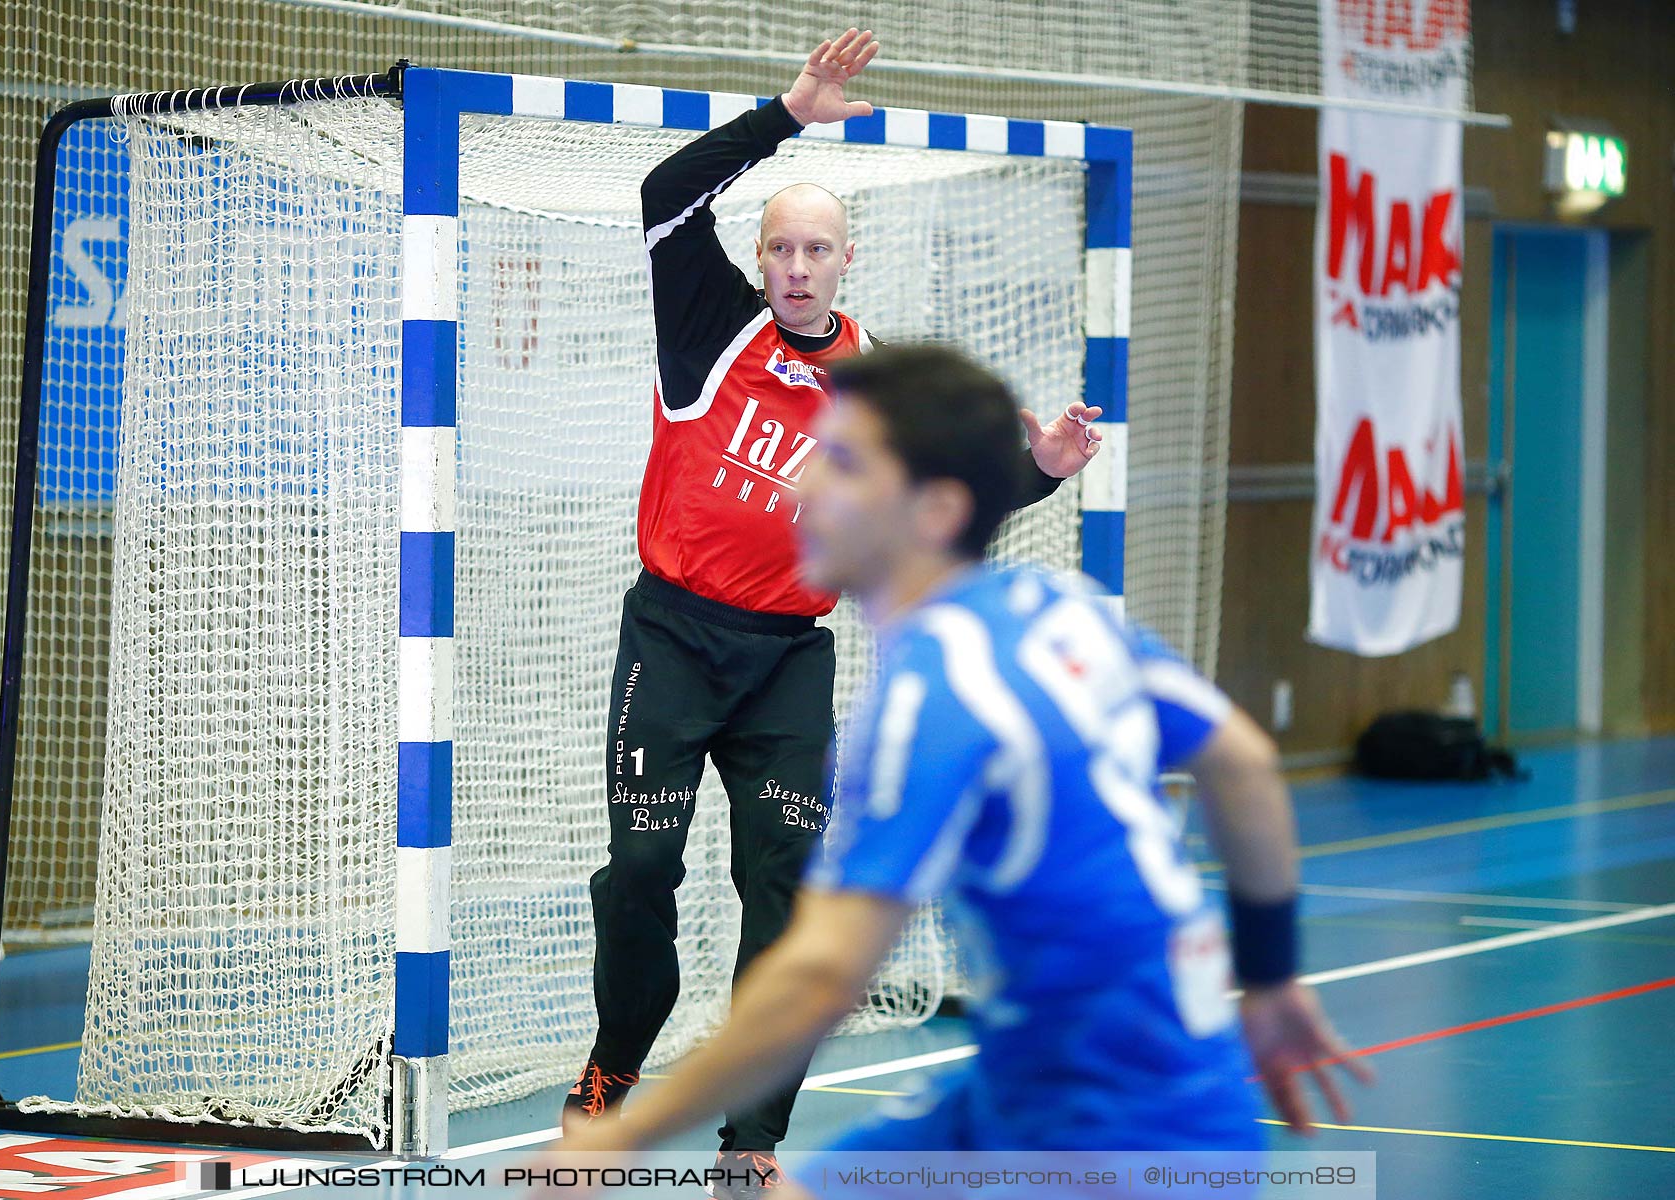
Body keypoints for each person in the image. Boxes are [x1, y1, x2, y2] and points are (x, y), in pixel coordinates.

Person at [555, 344, 1372, 1191]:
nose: (800, 489)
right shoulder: (1060, 610)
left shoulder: (934, 696)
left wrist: (625, 1134)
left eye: (840, 464)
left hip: (1113, 1119)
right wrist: (1271, 978)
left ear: (935, 510)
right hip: (1035, 1080)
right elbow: (1241, 761)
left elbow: (822, 975)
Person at [566, 27, 1106, 1184]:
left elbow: (946, 514)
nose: (799, 266)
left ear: (847, 261)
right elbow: (665, 194)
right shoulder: (710, 332)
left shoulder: (877, 386)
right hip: (670, 637)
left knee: (785, 896)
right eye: (783, 248)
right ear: (760, 260)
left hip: (784, 662)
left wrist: (1047, 468)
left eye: (819, 249)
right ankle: (616, 1059)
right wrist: (789, 115)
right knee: (640, 873)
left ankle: (750, 1142)